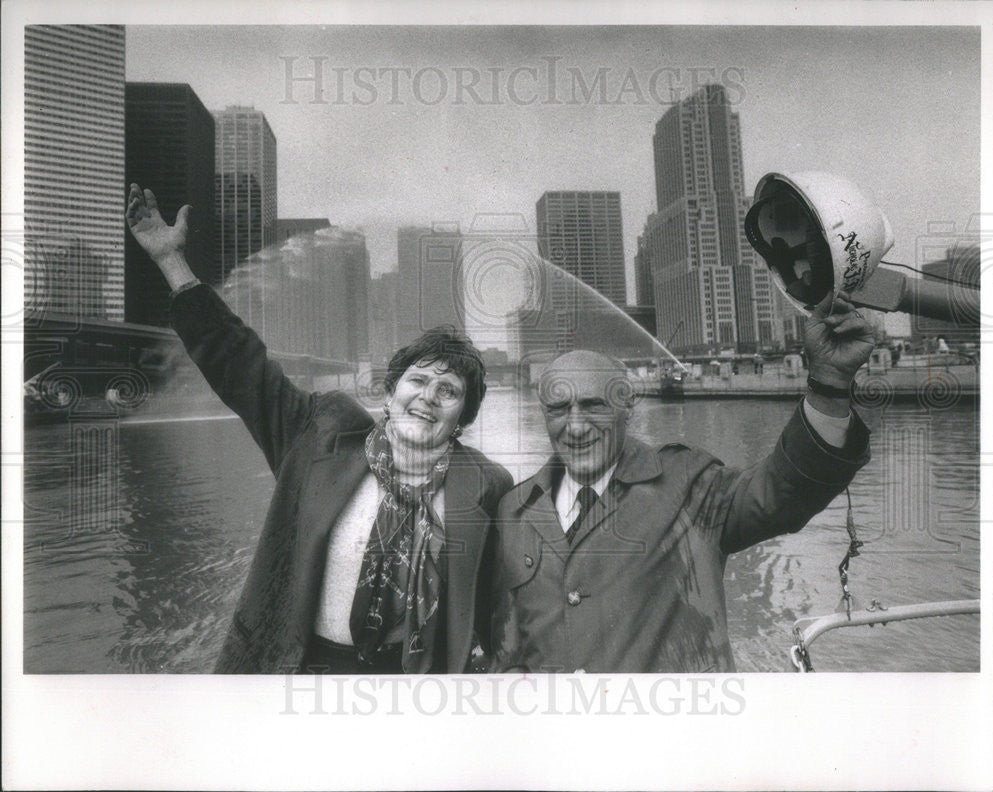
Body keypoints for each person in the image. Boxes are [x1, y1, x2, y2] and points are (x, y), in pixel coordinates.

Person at [126, 184, 512, 673]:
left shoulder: (489, 485)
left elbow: (506, 596)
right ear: (389, 395)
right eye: (417, 380)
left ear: (465, 416)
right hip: (302, 667)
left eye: (449, 390)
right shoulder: (322, 435)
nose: (428, 397)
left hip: (414, 683)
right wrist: (171, 263)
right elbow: (241, 365)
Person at [491, 294, 874, 673]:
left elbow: (782, 491)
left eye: (593, 405)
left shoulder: (690, 484)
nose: (574, 426)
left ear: (628, 407)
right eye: (559, 408)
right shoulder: (514, 509)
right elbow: (504, 646)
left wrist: (829, 385)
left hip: (676, 727)